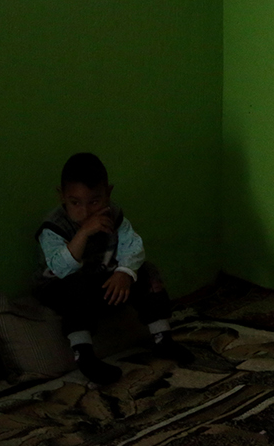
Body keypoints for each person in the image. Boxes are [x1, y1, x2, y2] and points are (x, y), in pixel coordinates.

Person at [34, 151, 189, 385]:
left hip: (101, 280)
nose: (85, 212)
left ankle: (163, 338)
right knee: (74, 284)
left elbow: (133, 246)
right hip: (60, 285)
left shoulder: (114, 216)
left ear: (108, 194)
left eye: (94, 202)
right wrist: (84, 231)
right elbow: (60, 268)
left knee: (147, 272)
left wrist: (124, 272)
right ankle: (84, 355)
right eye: (75, 202)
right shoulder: (53, 227)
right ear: (62, 196)